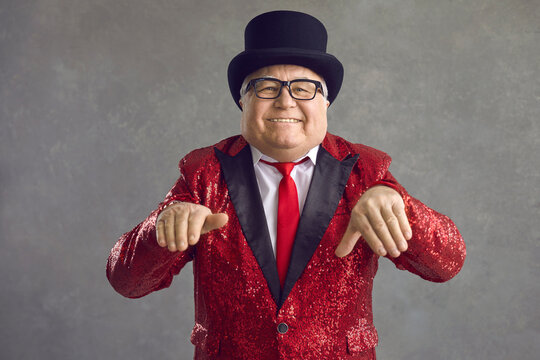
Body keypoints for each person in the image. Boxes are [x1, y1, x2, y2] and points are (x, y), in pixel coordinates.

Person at [107, 10, 466, 360]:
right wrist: (162, 227)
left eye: (305, 88)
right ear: (241, 100)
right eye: (265, 87)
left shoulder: (365, 171)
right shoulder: (203, 173)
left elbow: (447, 263)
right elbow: (126, 281)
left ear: (326, 101)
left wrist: (399, 205)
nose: (285, 100)